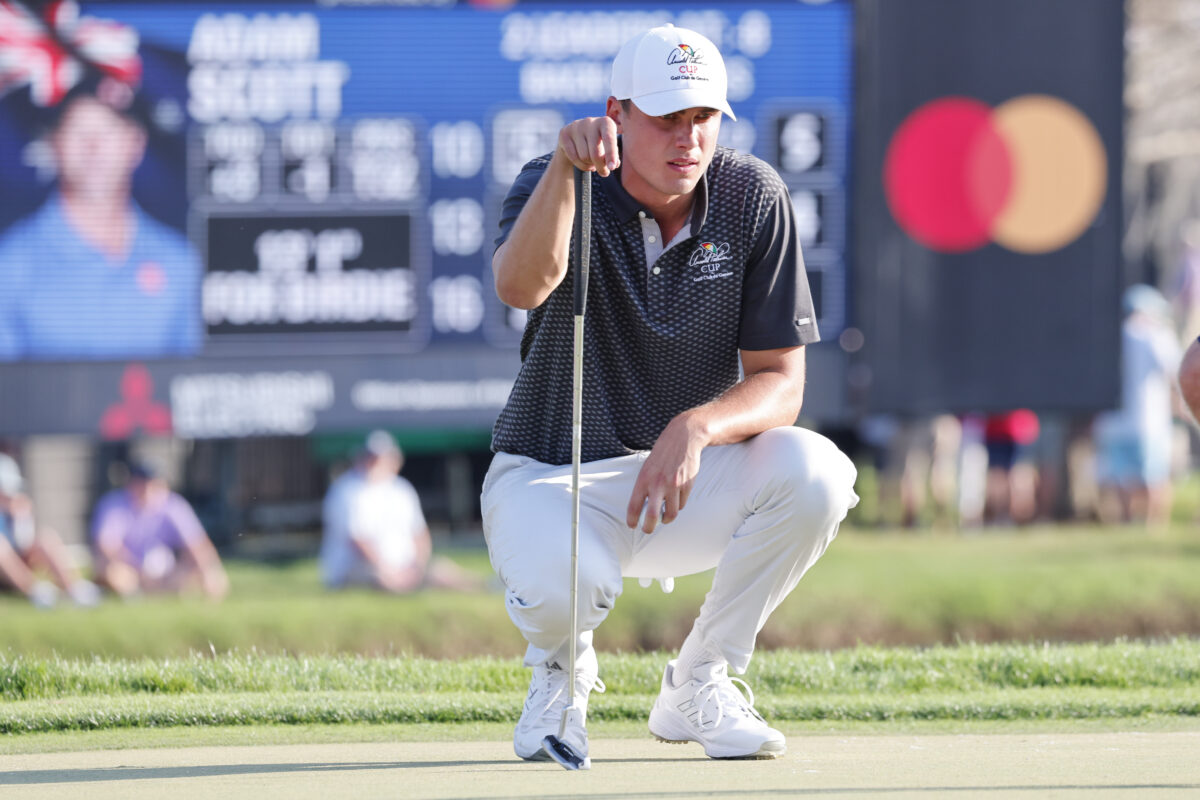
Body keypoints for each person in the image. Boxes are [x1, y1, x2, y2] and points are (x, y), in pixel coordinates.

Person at [482, 24, 859, 765]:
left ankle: (699, 682)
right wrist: (566, 169)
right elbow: (519, 285)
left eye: (703, 118)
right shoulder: (552, 179)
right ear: (616, 114)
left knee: (819, 475)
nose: (687, 139)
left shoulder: (752, 195)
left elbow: (781, 381)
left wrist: (697, 425)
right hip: (553, 476)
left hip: (681, 484)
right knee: (568, 588)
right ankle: (560, 677)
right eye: (665, 119)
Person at [0, 73, 201, 361]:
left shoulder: (178, 261)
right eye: (79, 131)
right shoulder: (10, 266)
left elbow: (188, 385)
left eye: (109, 131)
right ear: (55, 144)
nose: (93, 149)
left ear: (136, 144)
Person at [321, 430, 480, 593]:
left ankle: (483, 586)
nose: (376, 463)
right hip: (359, 568)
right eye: (371, 457)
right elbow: (357, 540)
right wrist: (387, 569)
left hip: (404, 566)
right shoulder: (346, 490)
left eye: (381, 458)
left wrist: (418, 564)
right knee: (383, 580)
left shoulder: (402, 488)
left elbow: (419, 532)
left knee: (443, 571)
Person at [1094, 285, 1183, 526]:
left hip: (1113, 422)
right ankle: (1154, 525)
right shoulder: (1155, 335)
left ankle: (1127, 523)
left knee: (1122, 478)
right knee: (1154, 477)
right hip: (1148, 421)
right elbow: (1176, 372)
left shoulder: (1106, 335)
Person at [90, 461, 228, 599]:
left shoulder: (174, 505)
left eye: (150, 483)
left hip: (165, 572)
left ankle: (156, 591)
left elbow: (196, 543)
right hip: (129, 569)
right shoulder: (113, 504)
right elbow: (107, 547)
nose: (145, 488)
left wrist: (209, 572)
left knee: (199, 573)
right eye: (140, 483)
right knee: (114, 574)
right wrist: (138, 570)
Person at [0, 452, 100, 608]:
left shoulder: (16, 509)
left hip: (17, 561)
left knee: (46, 538)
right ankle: (35, 591)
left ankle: (74, 588)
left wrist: (20, 518)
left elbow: (24, 542)